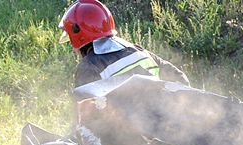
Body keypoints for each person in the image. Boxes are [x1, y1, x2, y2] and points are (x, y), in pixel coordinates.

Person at [59, 0, 189, 89]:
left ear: (79, 36)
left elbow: (85, 114)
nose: (73, 48)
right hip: (162, 124)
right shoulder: (140, 51)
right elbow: (181, 79)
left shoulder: (88, 67)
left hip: (126, 129)